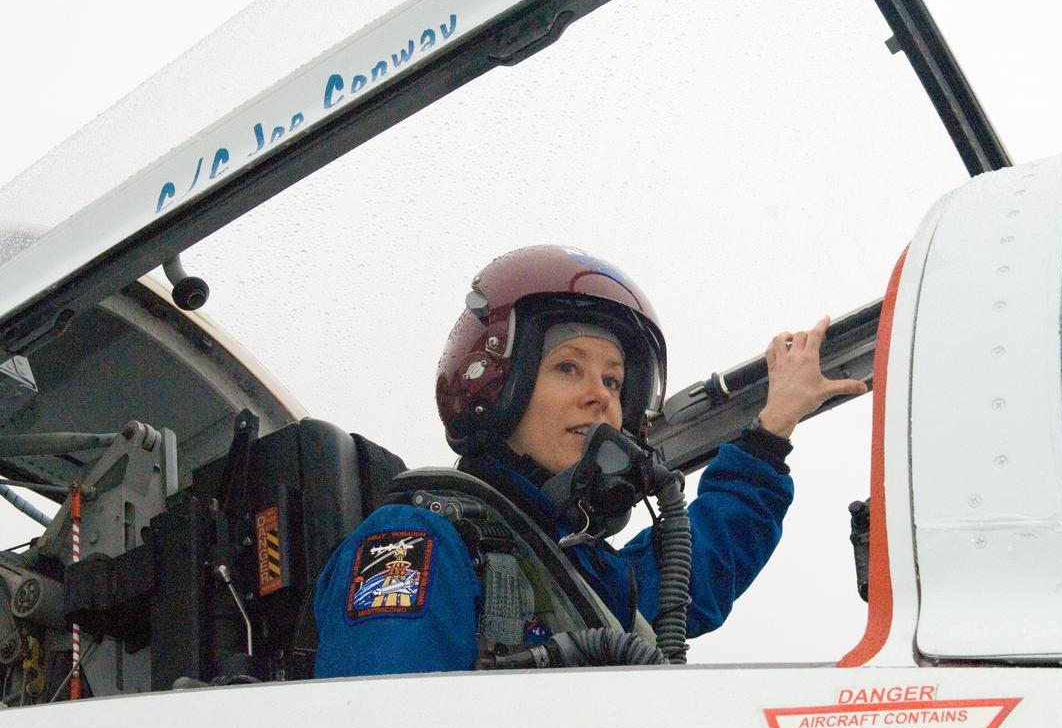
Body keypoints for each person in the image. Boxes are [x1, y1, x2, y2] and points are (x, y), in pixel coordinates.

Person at [313, 245, 864, 676]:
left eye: (614, 381)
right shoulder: (416, 544)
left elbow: (701, 562)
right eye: (568, 369)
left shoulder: (585, 573)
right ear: (502, 387)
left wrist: (773, 427)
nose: (602, 397)